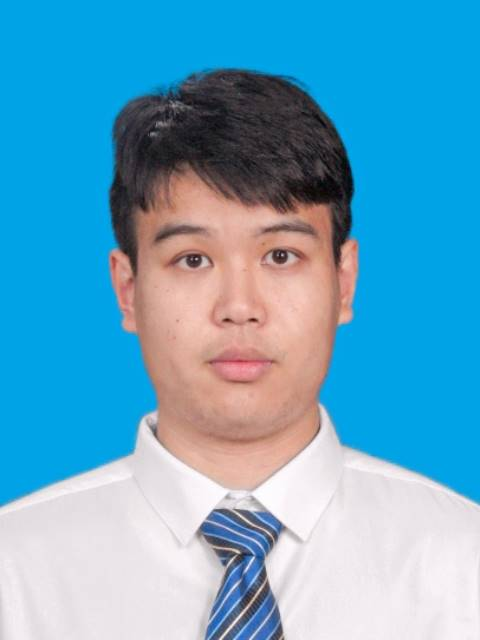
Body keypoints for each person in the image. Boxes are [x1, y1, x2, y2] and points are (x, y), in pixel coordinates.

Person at [0, 68, 478, 640]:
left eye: (281, 256)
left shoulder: (462, 564)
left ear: (344, 281)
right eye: (193, 260)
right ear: (128, 290)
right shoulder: (16, 573)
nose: (239, 308)